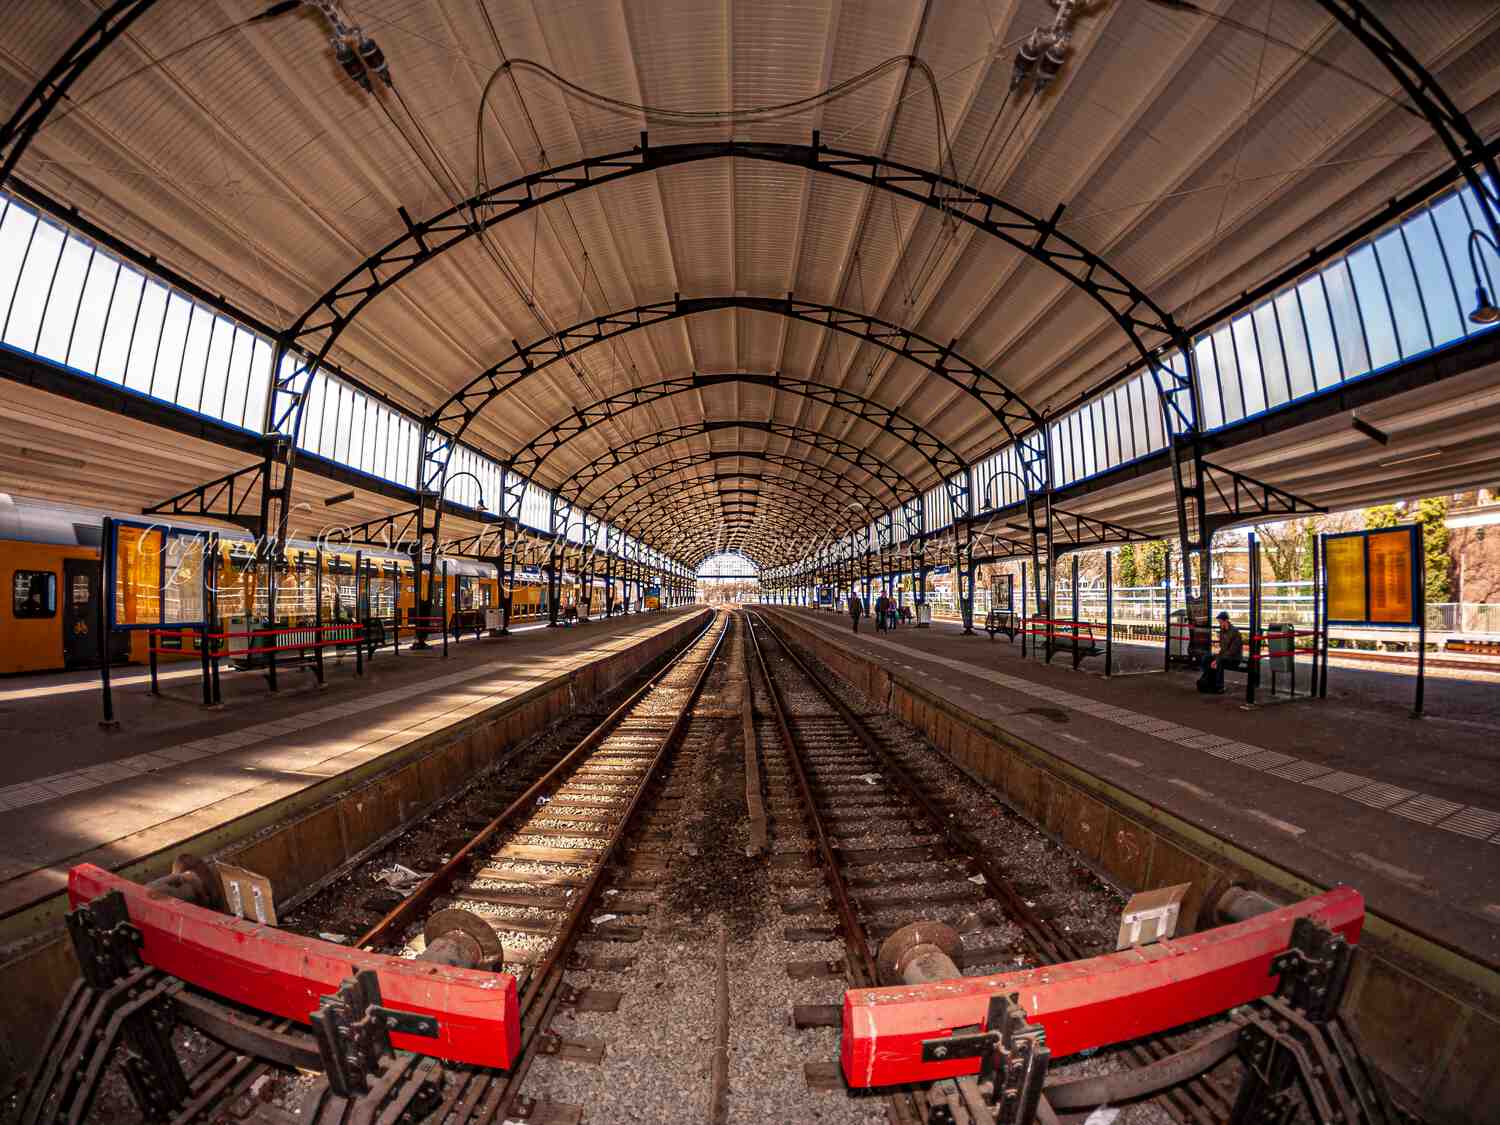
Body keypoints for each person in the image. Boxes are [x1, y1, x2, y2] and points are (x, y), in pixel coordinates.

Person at [1198, 610, 1244, 694]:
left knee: (1220, 663)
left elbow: (1232, 652)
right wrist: (1216, 658)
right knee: (1207, 657)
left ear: (1226, 621)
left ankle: (1220, 687)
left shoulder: (1235, 632)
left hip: (1234, 659)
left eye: (1220, 622)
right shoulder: (1222, 632)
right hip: (1225, 657)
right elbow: (1223, 649)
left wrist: (1217, 660)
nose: (1219, 624)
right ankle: (1208, 681)